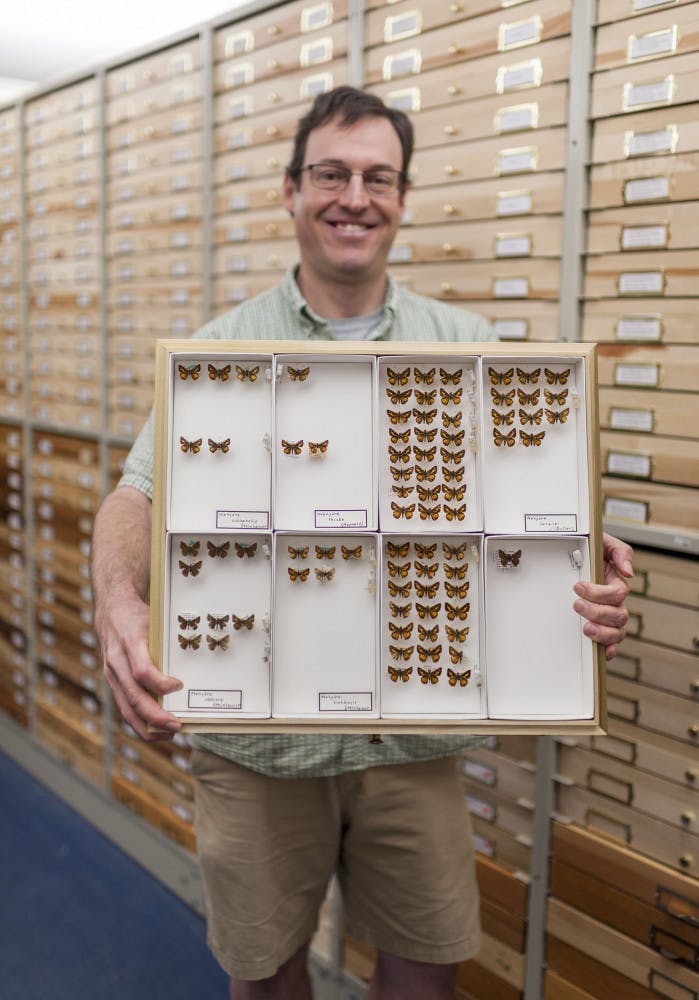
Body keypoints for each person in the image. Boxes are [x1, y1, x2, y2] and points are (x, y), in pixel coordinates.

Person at [92, 87, 633, 1000]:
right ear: (291, 190)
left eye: (377, 177)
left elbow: (517, 502)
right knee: (265, 973)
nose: (354, 196)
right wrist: (121, 600)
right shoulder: (225, 347)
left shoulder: (463, 344)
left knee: (427, 962)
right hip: (260, 750)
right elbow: (136, 493)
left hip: (411, 741)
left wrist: (579, 560)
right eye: (331, 174)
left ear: (403, 197)